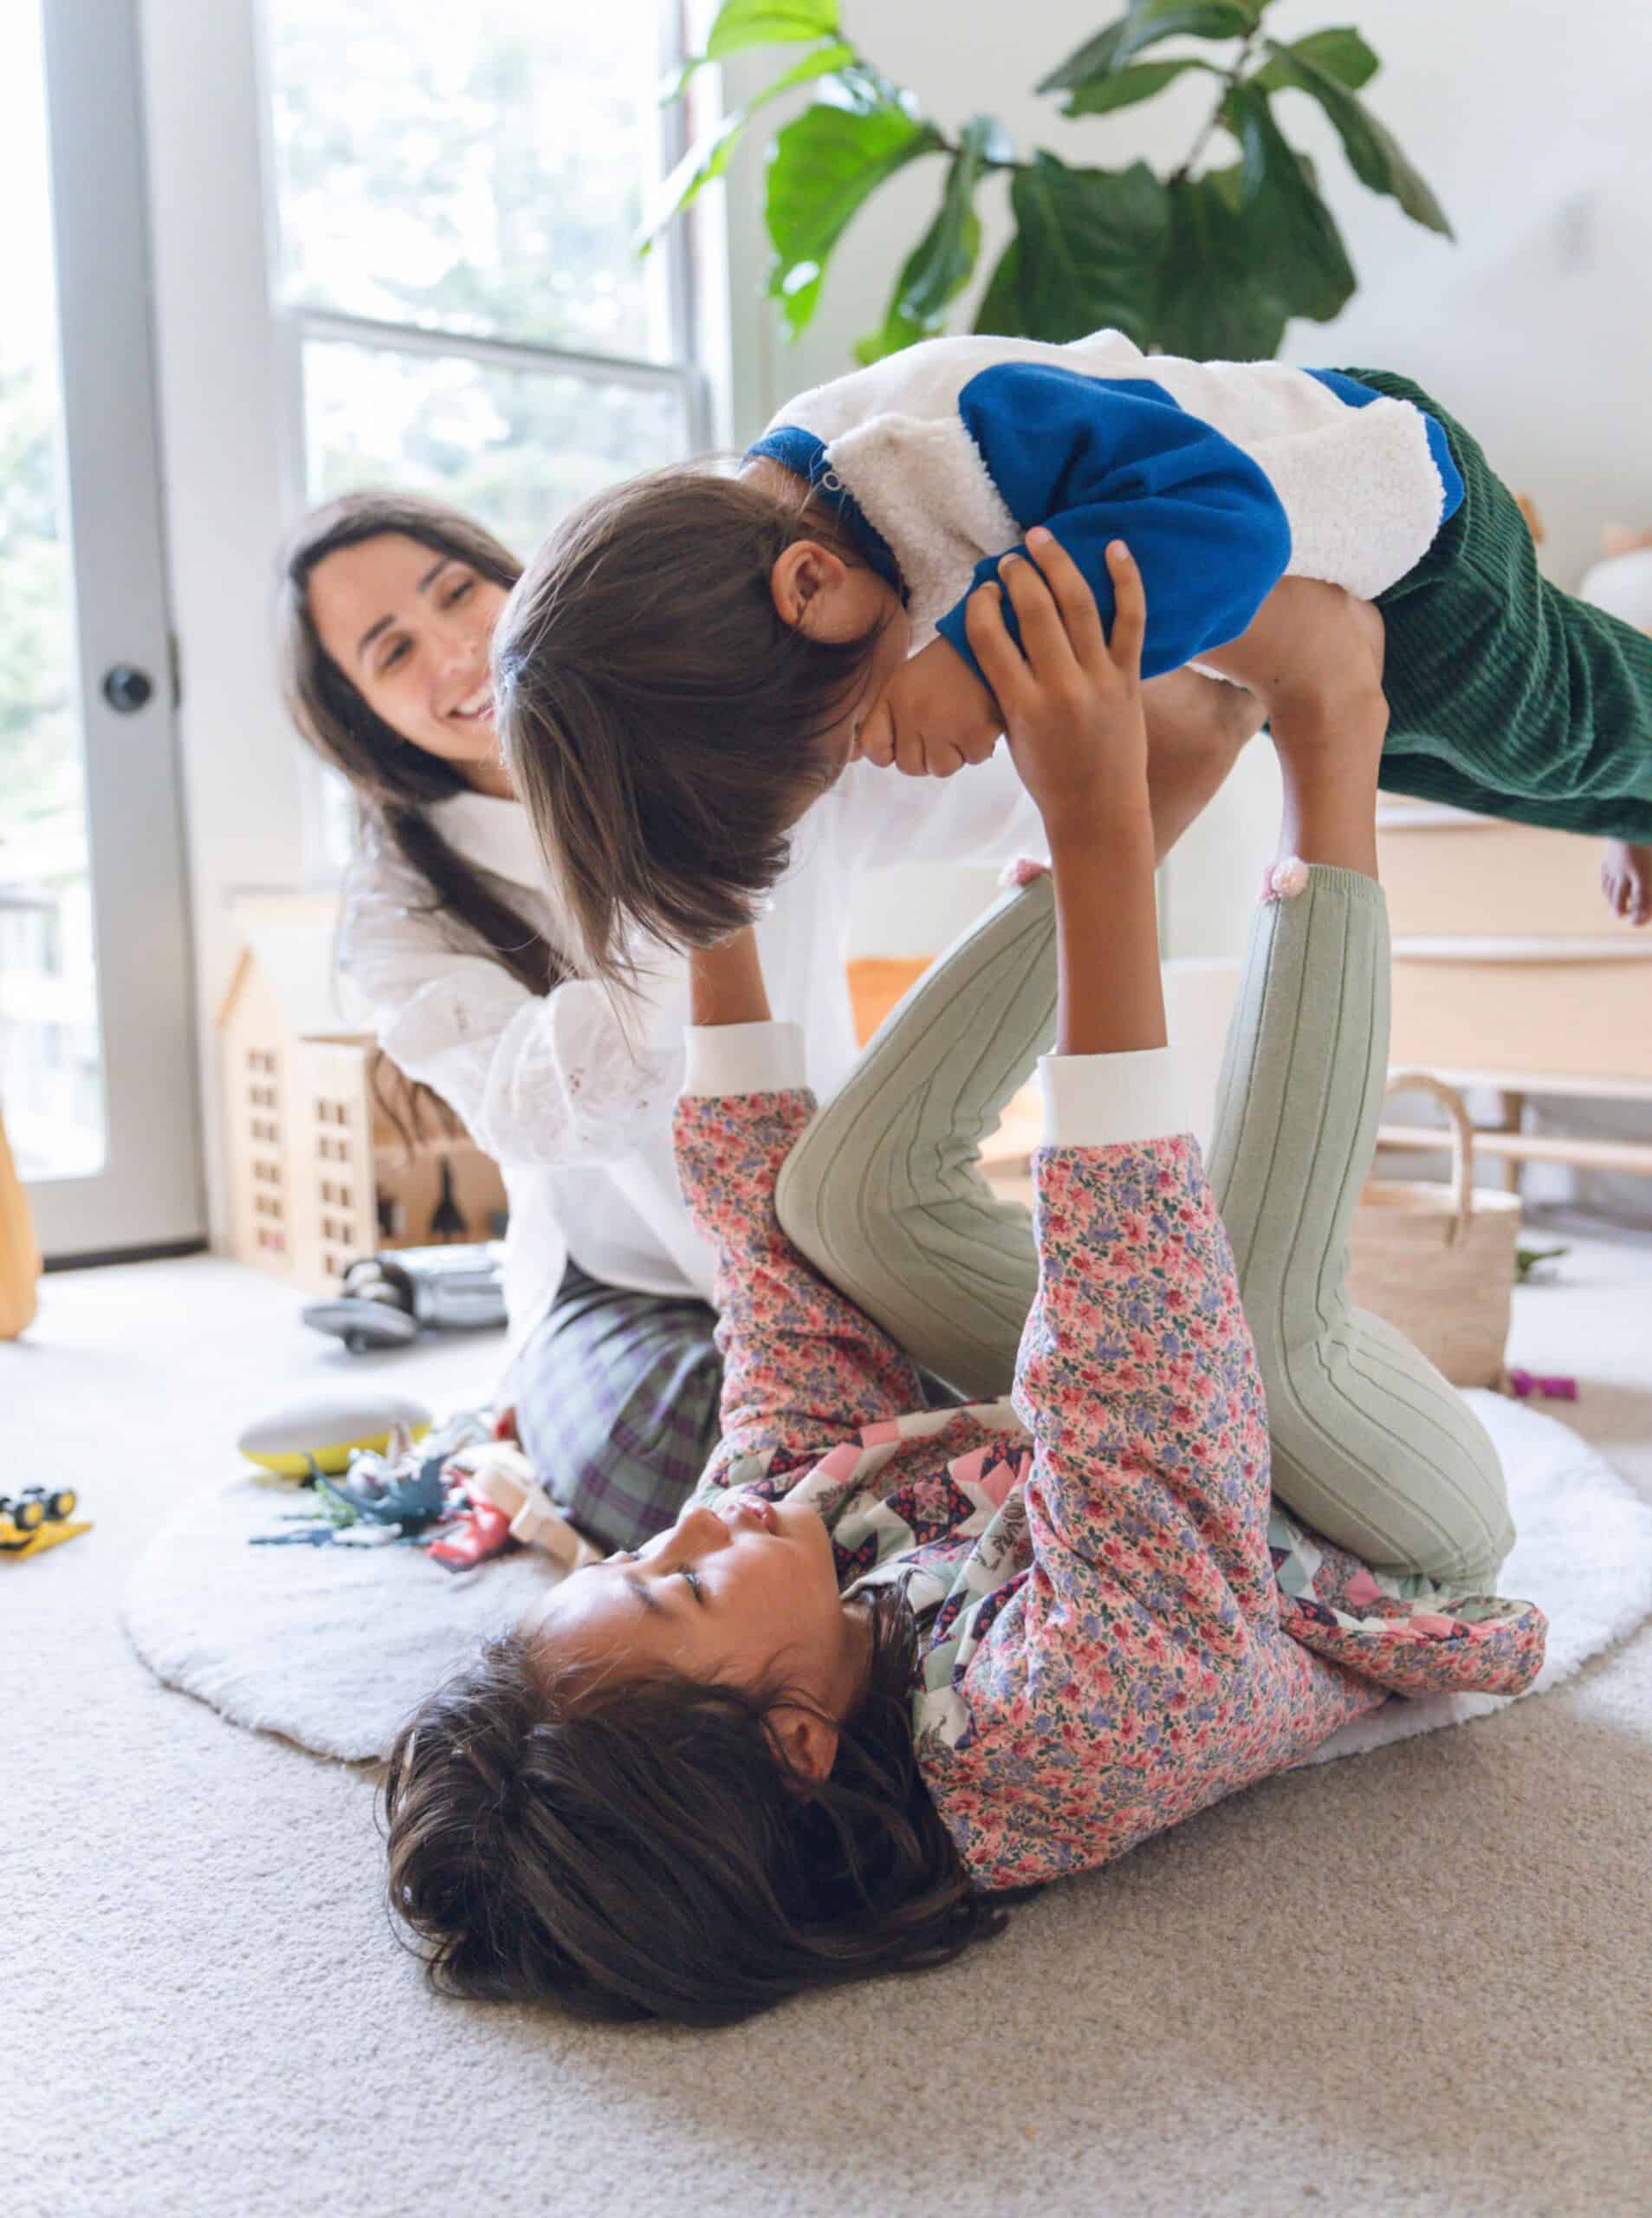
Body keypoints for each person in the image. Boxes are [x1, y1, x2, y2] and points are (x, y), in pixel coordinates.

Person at [382, 536, 1546, 2026]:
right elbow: (1144, 1360)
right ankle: (1329, 727)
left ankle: (1180, 762)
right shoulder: (1056, 1735)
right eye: (678, 1582)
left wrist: (697, 863)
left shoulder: (777, 1580)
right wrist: (1089, 828)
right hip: (1376, 1536)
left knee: (836, 1207)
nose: (694, 1523)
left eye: (634, 1555)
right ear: (796, 1745)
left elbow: (775, 1302)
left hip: (1195, 1457)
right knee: (1237, 1319)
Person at [277, 489, 1049, 1552]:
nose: (455, 652)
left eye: (456, 593)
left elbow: (1014, 788)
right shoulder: (397, 905)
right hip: (629, 1280)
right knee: (684, 1471)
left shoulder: (731, 709)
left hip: (842, 1239)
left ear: (513, 579)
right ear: (363, 717)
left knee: (1049, 1384)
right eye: (393, 651)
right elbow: (541, 1113)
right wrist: (667, 847)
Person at [490, 331, 1652, 993]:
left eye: (836, 735)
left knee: (1559, 731)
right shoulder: (817, 512)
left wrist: (975, 658)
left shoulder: (956, 432)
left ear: (808, 587)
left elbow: (1232, 524)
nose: (866, 748)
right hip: (1306, 612)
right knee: (1457, 769)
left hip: (1407, 531)